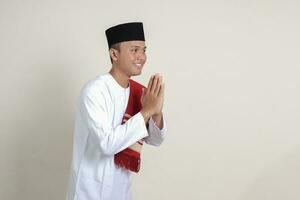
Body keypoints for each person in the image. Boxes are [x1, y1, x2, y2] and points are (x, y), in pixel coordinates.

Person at [66, 22, 167, 200]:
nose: (141, 56)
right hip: (89, 191)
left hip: (120, 191)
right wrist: (146, 111)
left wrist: (156, 111)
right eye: (134, 50)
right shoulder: (95, 90)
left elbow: (155, 139)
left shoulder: (138, 92)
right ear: (114, 54)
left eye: (144, 50)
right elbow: (106, 144)